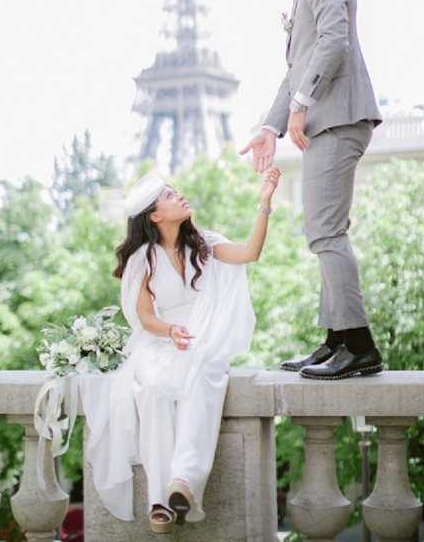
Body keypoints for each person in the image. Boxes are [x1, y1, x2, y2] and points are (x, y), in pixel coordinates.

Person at [80, 167, 280, 535]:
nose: (180, 196)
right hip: (160, 339)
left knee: (204, 370)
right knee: (153, 388)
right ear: (155, 216)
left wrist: (264, 201)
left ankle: (184, 482)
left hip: (201, 339)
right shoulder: (145, 259)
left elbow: (250, 253)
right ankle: (159, 500)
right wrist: (170, 330)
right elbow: (143, 316)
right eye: (170, 196)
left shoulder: (205, 243)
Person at [240, 0, 384, 381]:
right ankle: (336, 340)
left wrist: (302, 105)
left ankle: (359, 346)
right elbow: (294, 72)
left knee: (326, 233)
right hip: (325, 125)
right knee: (320, 232)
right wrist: (271, 125)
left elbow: (334, 41)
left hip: (339, 119)